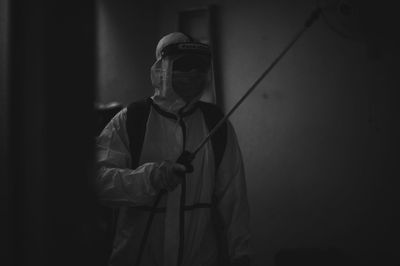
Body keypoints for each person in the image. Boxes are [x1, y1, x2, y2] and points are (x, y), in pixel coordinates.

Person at [95, 32, 251, 266]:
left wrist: (241, 256)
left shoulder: (216, 124)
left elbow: (235, 200)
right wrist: (150, 178)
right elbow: (98, 183)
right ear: (162, 69)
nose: (193, 74)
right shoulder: (130, 120)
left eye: (199, 67)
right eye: (184, 66)